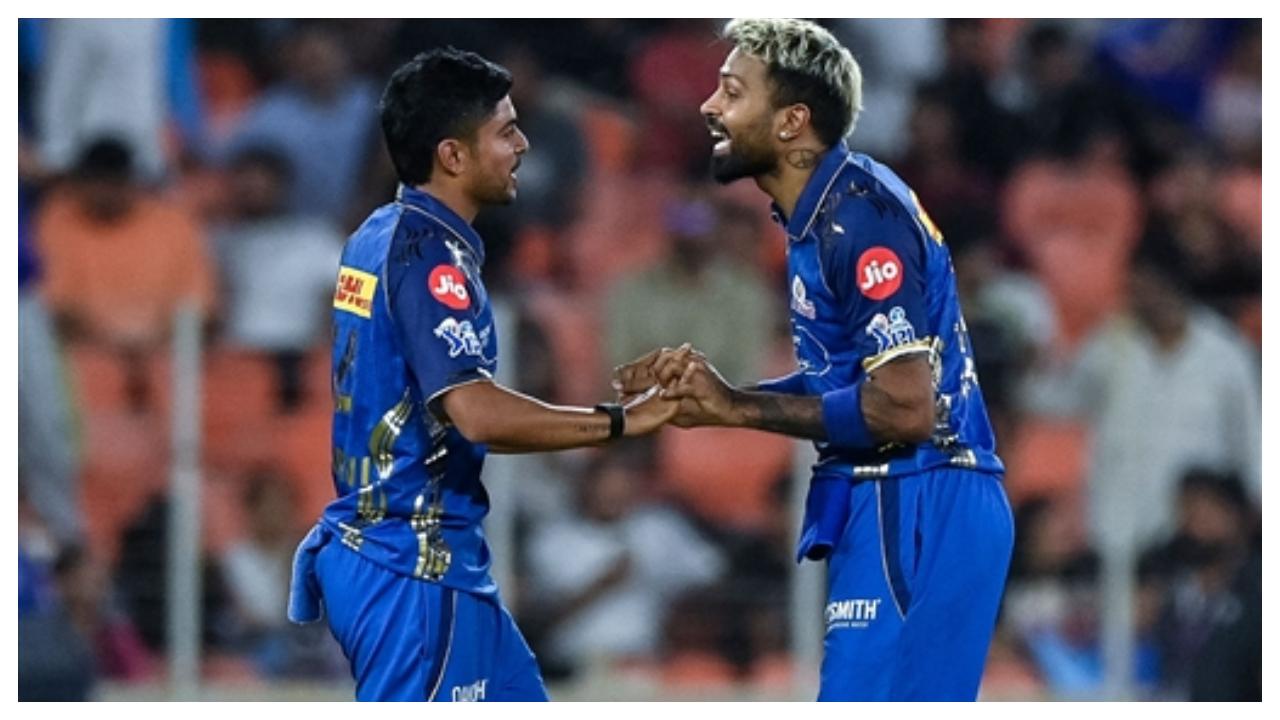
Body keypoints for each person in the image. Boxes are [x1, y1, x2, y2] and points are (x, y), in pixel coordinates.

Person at [614, 19, 1014, 700]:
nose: (709, 106)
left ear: (792, 121)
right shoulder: (823, 216)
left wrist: (739, 408)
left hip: (918, 493)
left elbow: (906, 407)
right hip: (908, 494)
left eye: (733, 92)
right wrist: (724, 399)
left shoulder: (856, 218)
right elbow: (859, 384)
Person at [286, 46, 678, 702]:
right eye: (506, 130)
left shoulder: (377, 232)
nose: (524, 144)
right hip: (413, 567)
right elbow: (474, 412)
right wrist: (620, 421)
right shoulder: (431, 260)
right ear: (453, 155)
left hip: (427, 559)